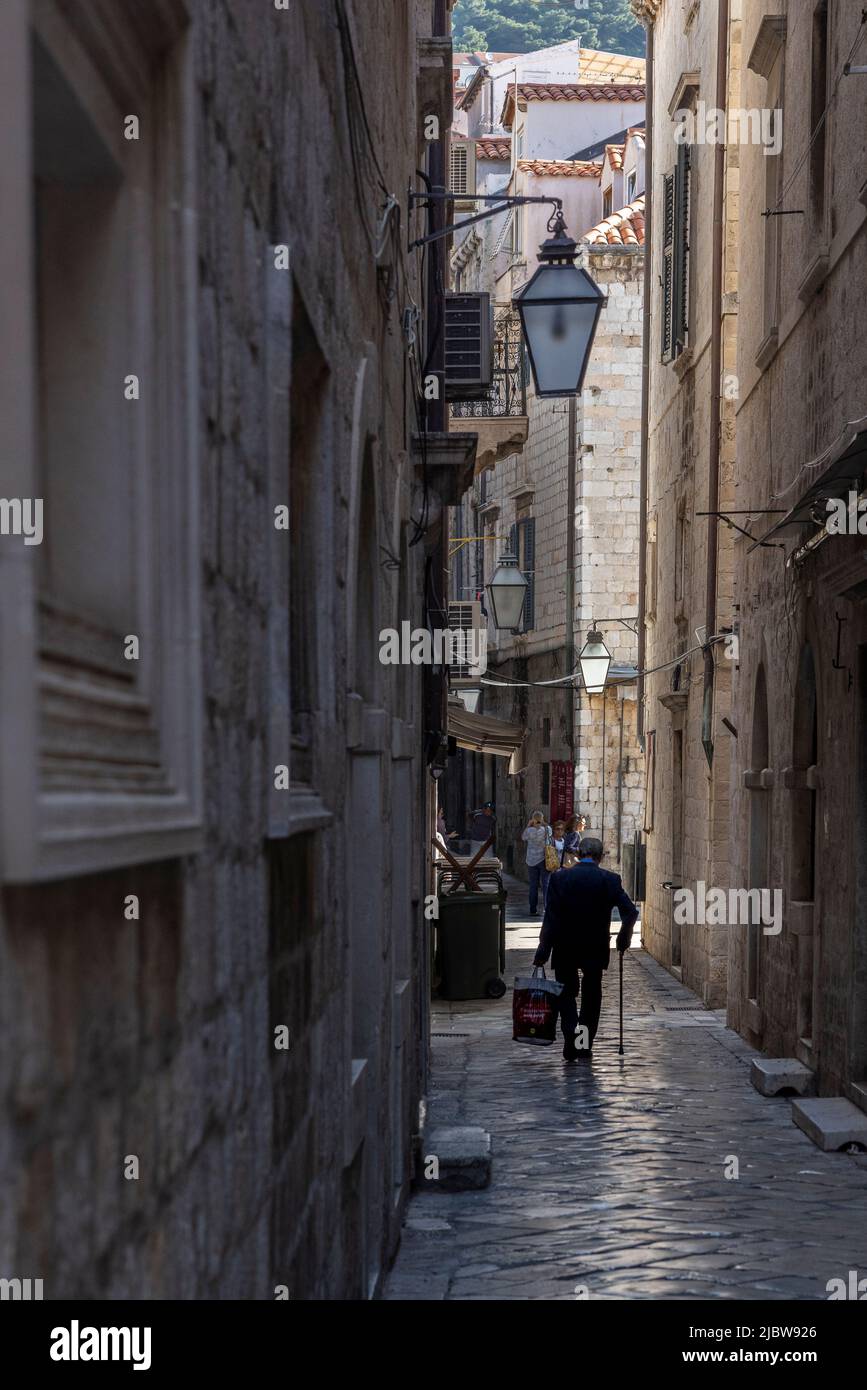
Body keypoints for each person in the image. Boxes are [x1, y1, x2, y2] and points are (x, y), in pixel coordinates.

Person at [533, 836, 638, 1061]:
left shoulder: (560, 879)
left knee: (566, 994)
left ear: (579, 854)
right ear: (600, 857)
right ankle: (583, 1044)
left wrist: (543, 950)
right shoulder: (609, 880)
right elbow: (631, 912)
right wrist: (623, 938)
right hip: (595, 947)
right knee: (591, 998)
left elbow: (550, 918)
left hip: (565, 946)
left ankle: (572, 1038)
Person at [521, 811, 550, 915]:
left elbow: (523, 837)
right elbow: (550, 834)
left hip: (531, 860)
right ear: (541, 819)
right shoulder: (545, 829)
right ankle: (546, 908)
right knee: (545, 884)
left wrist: (529, 825)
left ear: (532, 819)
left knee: (533, 885)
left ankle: (533, 909)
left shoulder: (529, 831)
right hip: (543, 859)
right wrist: (544, 823)